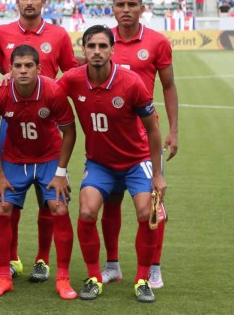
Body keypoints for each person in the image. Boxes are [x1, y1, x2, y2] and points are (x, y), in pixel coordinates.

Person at [57, 25, 166, 303]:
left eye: (102, 46)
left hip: (135, 160)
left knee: (145, 213)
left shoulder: (130, 82)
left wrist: (158, 174)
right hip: (100, 163)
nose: (96, 52)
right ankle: (95, 276)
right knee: (86, 212)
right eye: (91, 46)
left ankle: (142, 280)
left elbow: (153, 129)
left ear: (112, 50)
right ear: (83, 49)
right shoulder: (72, 79)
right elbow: (46, 89)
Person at [0, 0, 79, 282]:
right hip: (13, 123)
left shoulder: (59, 34)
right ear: (17, 1)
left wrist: (54, 95)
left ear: (44, 2)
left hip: (47, 124)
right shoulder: (2, 33)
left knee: (48, 201)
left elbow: (70, 72)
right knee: (8, 200)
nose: (29, 2)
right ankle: (10, 258)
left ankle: (42, 259)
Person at [0, 45, 77, 299]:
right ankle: (4, 276)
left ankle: (63, 279)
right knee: (1, 207)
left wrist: (60, 172)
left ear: (38, 68)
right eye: (17, 66)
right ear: (10, 69)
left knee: (58, 207)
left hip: (49, 159)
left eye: (28, 66)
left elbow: (70, 132)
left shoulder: (54, 91)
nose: (23, 71)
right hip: (14, 160)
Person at [101, 0, 178, 290]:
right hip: (109, 137)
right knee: (111, 202)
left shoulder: (157, 42)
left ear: (142, 8)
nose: (126, 9)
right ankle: (112, 266)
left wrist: (173, 130)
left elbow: (169, 86)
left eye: (132, 4)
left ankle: (154, 267)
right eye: (120, 4)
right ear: (113, 8)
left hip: (147, 138)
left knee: (152, 207)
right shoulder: (103, 41)